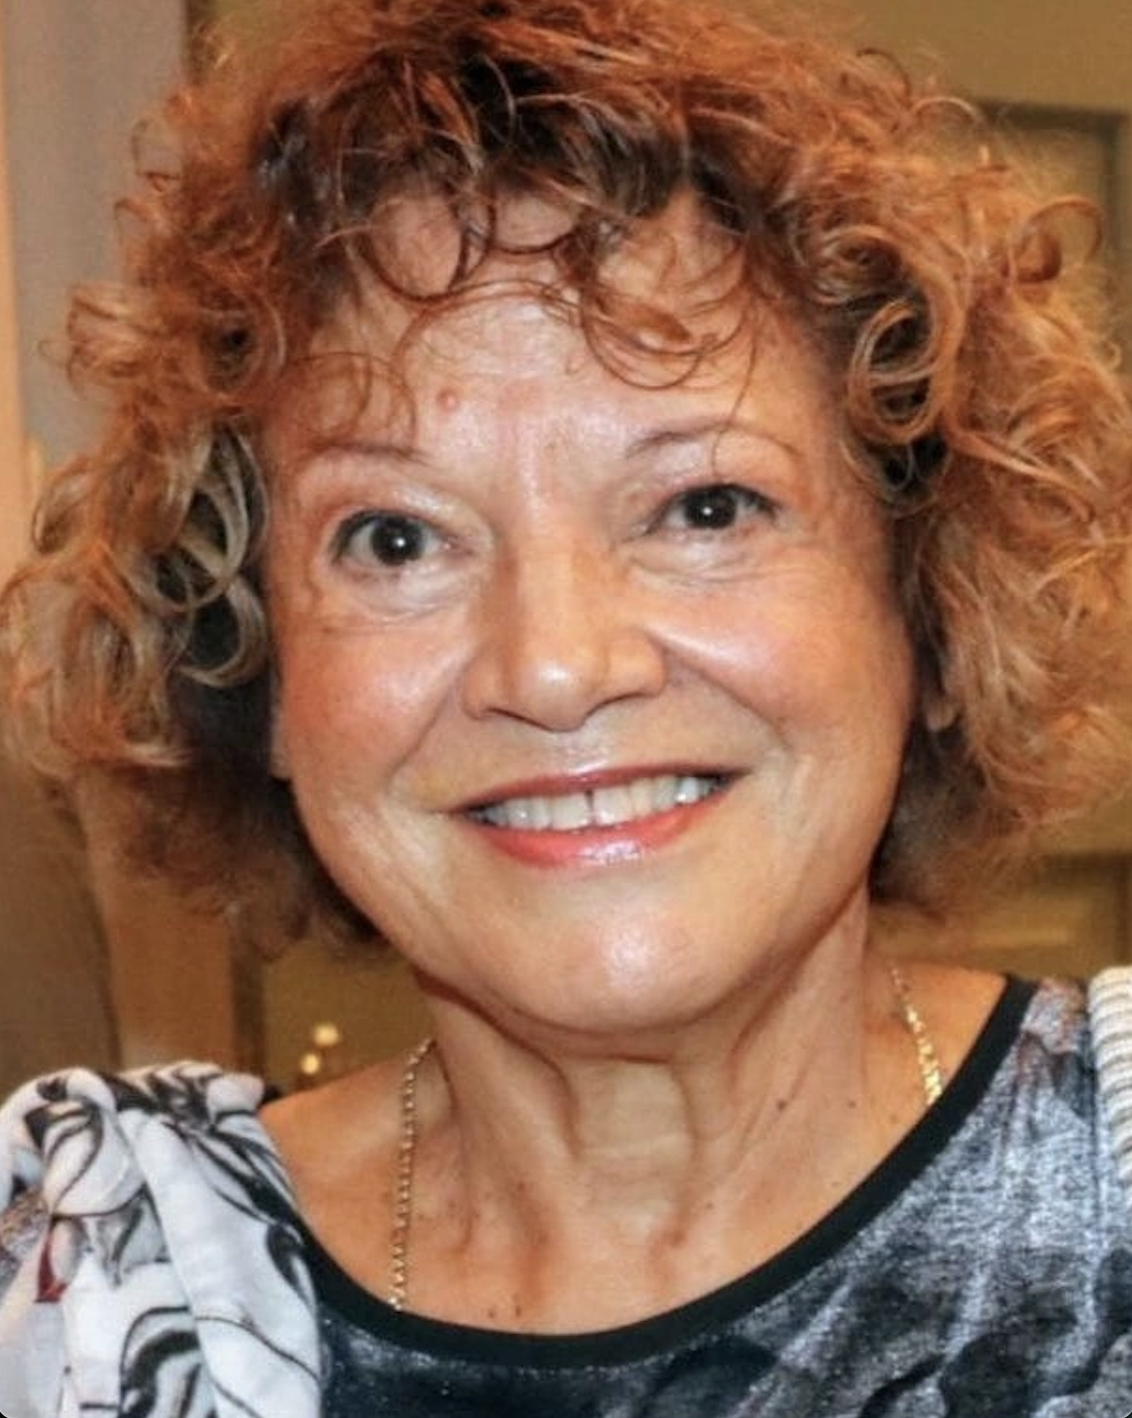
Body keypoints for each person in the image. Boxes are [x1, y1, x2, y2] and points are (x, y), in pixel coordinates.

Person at [2, 0, 1132, 1411]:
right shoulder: (92, 1293)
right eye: (397, 539)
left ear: (925, 604)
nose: (554, 665)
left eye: (704, 506)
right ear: (253, 668)